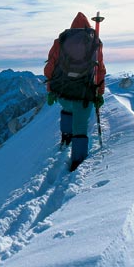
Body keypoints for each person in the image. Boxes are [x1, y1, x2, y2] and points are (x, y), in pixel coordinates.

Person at [44, 12, 106, 171]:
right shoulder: (94, 42)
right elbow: (100, 72)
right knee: (80, 127)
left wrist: (50, 89)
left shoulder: (61, 41)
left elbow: (50, 67)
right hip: (84, 94)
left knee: (66, 110)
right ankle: (77, 162)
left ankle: (66, 137)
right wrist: (99, 94)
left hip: (63, 91)